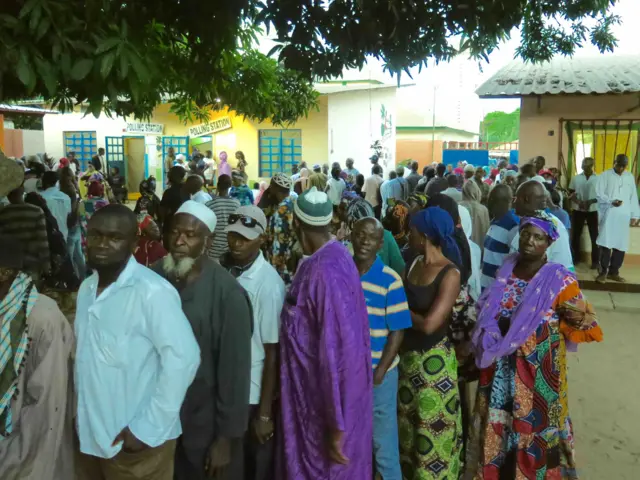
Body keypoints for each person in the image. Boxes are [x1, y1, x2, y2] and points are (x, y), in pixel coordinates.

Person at [467, 213, 603, 479]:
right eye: (526, 234)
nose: (529, 241)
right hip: (498, 371)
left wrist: (540, 330)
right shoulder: (507, 267)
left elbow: (584, 323)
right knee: (499, 424)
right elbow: (488, 304)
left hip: (537, 375)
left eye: (538, 237)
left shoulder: (558, 279)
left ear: (549, 243)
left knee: (534, 430)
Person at [75, 204, 201, 480]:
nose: (102, 244)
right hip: (94, 437)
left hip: (137, 445)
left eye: (115, 238)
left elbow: (185, 359)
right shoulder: (86, 289)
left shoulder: (152, 292)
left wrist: (146, 428)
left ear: (134, 244)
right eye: (96, 235)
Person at [153, 201, 253, 480]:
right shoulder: (153, 278)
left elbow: (236, 373)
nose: (180, 240)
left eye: (191, 234)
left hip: (206, 425)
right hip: (160, 421)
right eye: (175, 232)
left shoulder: (228, 295)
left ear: (207, 242)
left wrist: (226, 439)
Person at [279, 187, 372, 479]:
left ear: (295, 224)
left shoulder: (324, 271)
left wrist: (336, 426)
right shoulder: (336, 257)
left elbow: (336, 352)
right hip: (329, 402)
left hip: (322, 411)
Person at [0, 237, 75, 480]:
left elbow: (47, 404)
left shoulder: (42, 317)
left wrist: (24, 460)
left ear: (5, 273)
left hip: (25, 442)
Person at [398, 207, 463, 479]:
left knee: (432, 431)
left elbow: (429, 324)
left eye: (411, 230)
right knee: (408, 432)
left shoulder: (450, 273)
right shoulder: (413, 263)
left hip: (434, 368)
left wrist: (397, 308)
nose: (408, 234)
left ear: (423, 236)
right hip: (407, 361)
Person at [221, 205, 285, 480]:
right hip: (229, 389)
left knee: (256, 468)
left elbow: (273, 351)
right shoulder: (226, 270)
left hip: (253, 392)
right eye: (233, 235)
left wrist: (265, 414)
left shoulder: (267, 284)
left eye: (244, 238)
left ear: (261, 238)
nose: (236, 243)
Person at [352, 217, 411, 480]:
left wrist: (380, 371)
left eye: (372, 238)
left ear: (380, 244)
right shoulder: (344, 273)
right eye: (360, 235)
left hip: (379, 375)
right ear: (352, 236)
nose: (365, 241)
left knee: (383, 445)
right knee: (352, 442)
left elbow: (398, 331)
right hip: (348, 372)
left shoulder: (390, 280)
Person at [0, 157, 50, 278]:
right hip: (32, 266)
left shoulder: (3, 213)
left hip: (9, 267)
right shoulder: (36, 211)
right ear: (22, 190)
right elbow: (42, 243)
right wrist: (47, 267)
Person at [595, 154, 640, 283]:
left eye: (623, 166)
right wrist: (611, 201)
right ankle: (602, 272)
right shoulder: (605, 175)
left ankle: (614, 272)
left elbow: (633, 197)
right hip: (609, 214)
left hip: (624, 216)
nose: (621, 168)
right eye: (619, 165)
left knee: (620, 244)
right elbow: (599, 194)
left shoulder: (629, 177)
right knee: (605, 243)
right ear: (614, 162)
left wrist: (635, 215)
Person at [510, 180, 574, 271]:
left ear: (526, 199)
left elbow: (529, 267)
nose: (513, 202)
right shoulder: (536, 222)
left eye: (516, 198)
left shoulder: (543, 227)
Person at [344, 197, 405, 276]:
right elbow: (400, 269)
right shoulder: (385, 235)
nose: (365, 241)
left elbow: (400, 269)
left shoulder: (346, 243)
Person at [481, 184, 520, 291]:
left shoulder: (513, 227)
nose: (488, 202)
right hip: (486, 290)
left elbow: (516, 263)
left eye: (491, 199)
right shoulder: (494, 222)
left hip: (497, 292)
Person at [262, 174, 297, 285]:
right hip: (291, 260)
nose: (269, 188)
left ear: (276, 188)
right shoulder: (292, 204)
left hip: (282, 266)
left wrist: (275, 267)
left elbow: (278, 244)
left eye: (271, 186)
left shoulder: (280, 212)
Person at [568, 157, 599, 268]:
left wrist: (590, 201)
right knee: (576, 235)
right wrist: (578, 202)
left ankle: (595, 261)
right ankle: (575, 259)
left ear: (592, 166)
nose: (584, 166)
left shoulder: (598, 178)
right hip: (578, 209)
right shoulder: (575, 178)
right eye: (583, 164)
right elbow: (570, 193)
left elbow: (602, 196)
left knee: (594, 236)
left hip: (593, 210)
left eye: (586, 165)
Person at [205, 174, 241, 262]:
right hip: (231, 251)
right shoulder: (237, 204)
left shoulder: (209, 205)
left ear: (217, 186)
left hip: (214, 251)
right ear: (230, 186)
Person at [459, 180, 490, 254]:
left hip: (463, 251)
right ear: (477, 191)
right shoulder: (483, 209)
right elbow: (487, 231)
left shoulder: (458, 207)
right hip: (480, 250)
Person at [41, 171, 72, 242]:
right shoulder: (66, 197)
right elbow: (69, 217)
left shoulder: (41, 197)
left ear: (44, 182)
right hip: (64, 235)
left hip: (48, 237)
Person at [160, 166, 190, 241]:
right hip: (186, 225)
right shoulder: (188, 190)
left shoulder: (169, 192)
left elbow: (162, 212)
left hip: (171, 226)